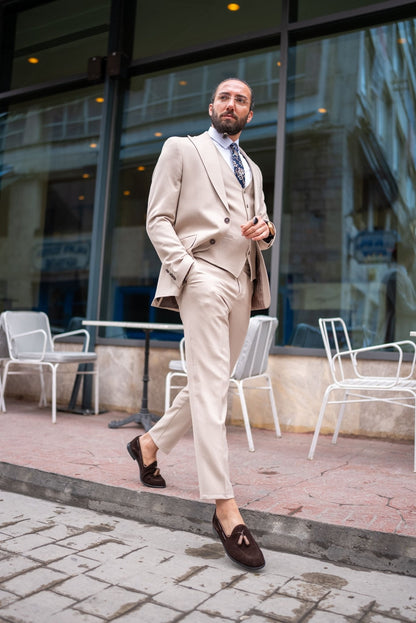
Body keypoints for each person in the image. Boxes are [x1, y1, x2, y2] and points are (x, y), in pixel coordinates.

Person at [127, 78, 276, 571]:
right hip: (201, 275)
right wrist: (187, 271)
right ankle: (224, 507)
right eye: (225, 97)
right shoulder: (181, 149)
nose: (232, 104)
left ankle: (148, 444)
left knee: (209, 381)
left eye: (242, 100)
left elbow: (261, 222)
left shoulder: (252, 168)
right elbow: (157, 220)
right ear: (211, 105)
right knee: (214, 389)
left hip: (244, 281)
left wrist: (267, 230)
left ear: (249, 114)